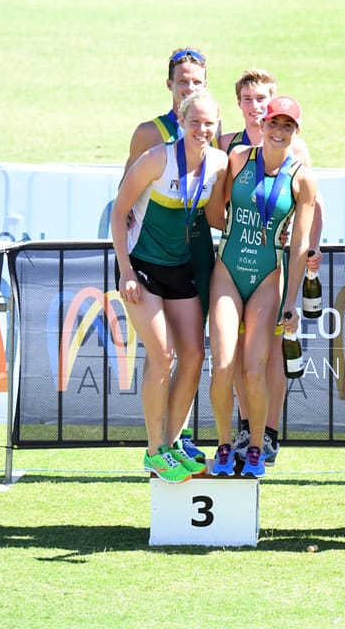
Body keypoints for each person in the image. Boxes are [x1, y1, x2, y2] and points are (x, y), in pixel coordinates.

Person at [111, 90, 229, 483]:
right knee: (162, 354)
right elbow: (118, 209)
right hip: (142, 269)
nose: (202, 129)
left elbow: (216, 218)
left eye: (209, 123)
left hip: (181, 270)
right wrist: (125, 270)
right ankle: (152, 451)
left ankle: (172, 444)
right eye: (194, 121)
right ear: (181, 121)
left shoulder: (218, 163)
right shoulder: (157, 158)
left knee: (194, 354)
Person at [219, 69, 325, 468]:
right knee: (238, 354)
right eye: (248, 99)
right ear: (241, 105)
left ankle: (270, 430)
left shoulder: (296, 151)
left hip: (273, 269)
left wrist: (311, 247)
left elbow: (312, 209)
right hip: (234, 266)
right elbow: (220, 206)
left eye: (262, 98)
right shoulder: (230, 147)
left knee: (269, 357)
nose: (255, 106)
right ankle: (246, 426)